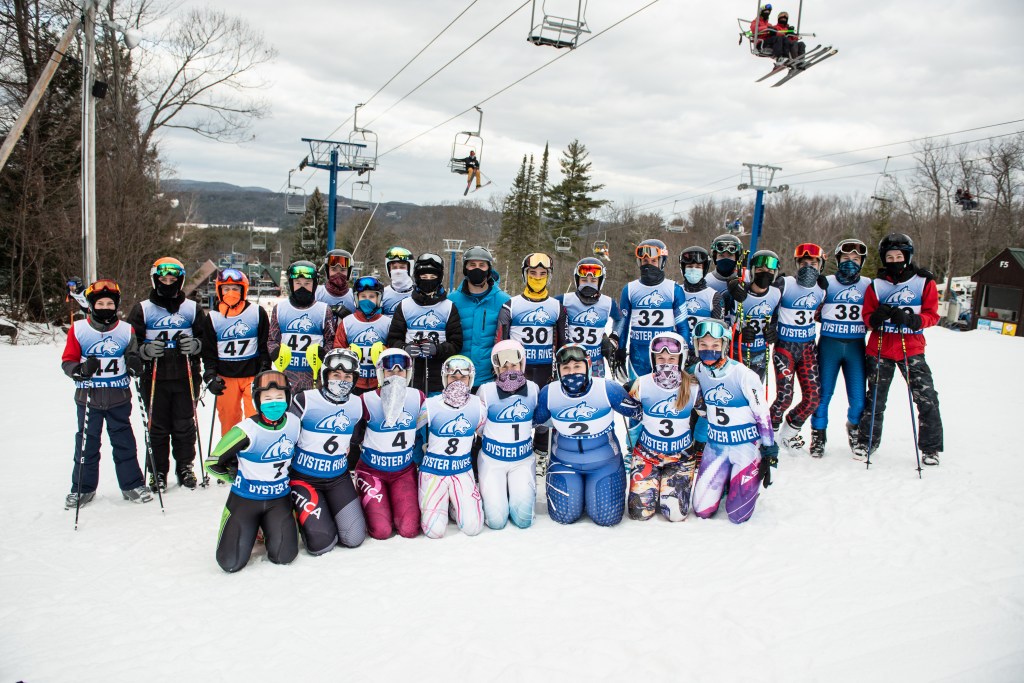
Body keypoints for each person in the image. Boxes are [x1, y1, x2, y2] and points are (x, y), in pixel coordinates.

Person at [854, 233, 943, 466]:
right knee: (875, 399)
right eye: (890, 257)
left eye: (899, 256)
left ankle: (931, 448)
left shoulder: (924, 282)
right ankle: (867, 441)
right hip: (880, 348)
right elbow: (866, 317)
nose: (895, 260)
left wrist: (913, 320)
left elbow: (933, 315)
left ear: (907, 257)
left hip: (910, 347)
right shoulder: (877, 284)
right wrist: (877, 317)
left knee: (926, 398)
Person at [61, 279, 152, 508]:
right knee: (86, 444)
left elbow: (133, 357)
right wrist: (80, 370)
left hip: (118, 397)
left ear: (116, 306)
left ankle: (132, 484)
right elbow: (68, 361)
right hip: (88, 397)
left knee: (124, 442)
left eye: (109, 304)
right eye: (100, 303)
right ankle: (82, 488)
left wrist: (135, 364)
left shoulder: (125, 329)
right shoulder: (79, 329)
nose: (105, 307)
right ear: (91, 305)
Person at [534, 344, 643, 527]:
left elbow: (639, 412)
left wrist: (642, 389)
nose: (571, 372)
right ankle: (581, 494)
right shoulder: (549, 393)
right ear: (559, 370)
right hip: (564, 463)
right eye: (566, 368)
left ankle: (591, 495)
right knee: (564, 515)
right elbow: (529, 421)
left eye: (577, 367)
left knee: (606, 518)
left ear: (588, 366)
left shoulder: (607, 389)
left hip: (604, 464)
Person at [128, 257, 212, 491]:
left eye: (172, 279)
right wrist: (144, 351)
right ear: (155, 281)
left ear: (180, 280)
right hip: (154, 376)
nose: (167, 283)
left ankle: (185, 465)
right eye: (163, 279)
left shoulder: (191, 308)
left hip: (185, 374)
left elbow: (206, 339)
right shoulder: (143, 309)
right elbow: (129, 343)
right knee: (157, 426)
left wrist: (195, 345)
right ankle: (158, 470)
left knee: (185, 424)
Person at [203, 370, 300, 573]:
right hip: (245, 499)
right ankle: (250, 526)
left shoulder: (294, 423)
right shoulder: (246, 430)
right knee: (230, 562)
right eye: (267, 398)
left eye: (279, 397)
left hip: (279, 499)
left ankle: (265, 528)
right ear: (257, 400)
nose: (274, 403)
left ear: (288, 398)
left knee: (284, 556)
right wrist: (232, 475)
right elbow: (212, 463)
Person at [691, 320, 777, 524]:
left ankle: (741, 483)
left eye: (715, 345)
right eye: (703, 345)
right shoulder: (698, 371)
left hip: (744, 446)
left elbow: (762, 413)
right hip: (716, 446)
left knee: (737, 515)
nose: (708, 350)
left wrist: (769, 451)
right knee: (701, 510)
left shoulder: (743, 374)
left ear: (724, 345)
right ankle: (725, 482)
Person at [288, 348, 367, 555]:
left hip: (338, 478)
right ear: (325, 375)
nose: (342, 380)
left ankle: (327, 510)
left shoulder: (357, 404)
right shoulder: (304, 400)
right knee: (321, 544)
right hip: (304, 477)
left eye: (348, 376)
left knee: (354, 537)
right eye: (336, 375)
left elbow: (358, 437)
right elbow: (283, 439)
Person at [496, 252, 566, 472]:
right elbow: (501, 341)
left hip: (545, 367)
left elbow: (564, 344)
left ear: (549, 276)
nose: (537, 277)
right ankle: (518, 450)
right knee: (518, 410)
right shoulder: (511, 305)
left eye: (542, 273)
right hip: (518, 369)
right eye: (533, 273)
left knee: (543, 412)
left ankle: (541, 454)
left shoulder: (556, 307)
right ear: (524, 275)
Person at [625, 331, 701, 522]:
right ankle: (653, 487)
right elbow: (628, 410)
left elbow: (709, 417)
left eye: (672, 358)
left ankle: (666, 488)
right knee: (640, 514)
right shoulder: (642, 384)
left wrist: (702, 444)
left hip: (680, 458)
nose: (666, 362)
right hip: (647, 456)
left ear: (681, 359)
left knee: (675, 516)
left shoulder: (693, 387)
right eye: (661, 358)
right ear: (653, 359)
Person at [353, 347, 427, 539]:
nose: (395, 375)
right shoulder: (366, 400)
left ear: (408, 373)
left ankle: (394, 505)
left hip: (403, 471)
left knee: (409, 529)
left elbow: (421, 433)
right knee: (381, 531)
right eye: (390, 371)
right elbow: (355, 437)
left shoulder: (417, 397)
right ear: (380, 373)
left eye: (400, 371)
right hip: (372, 470)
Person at [810, 239, 871, 457]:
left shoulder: (868, 284)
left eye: (856, 259)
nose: (850, 263)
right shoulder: (825, 282)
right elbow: (810, 306)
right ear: (837, 260)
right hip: (829, 344)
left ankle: (854, 428)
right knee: (823, 394)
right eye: (846, 259)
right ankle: (818, 435)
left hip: (856, 345)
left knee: (858, 398)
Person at [419, 355, 486, 538]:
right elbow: (408, 430)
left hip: (461, 471)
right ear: (444, 378)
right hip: (434, 472)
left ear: (470, 379)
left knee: (473, 528)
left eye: (463, 378)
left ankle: (453, 504)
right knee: (434, 531)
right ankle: (445, 502)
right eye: (453, 378)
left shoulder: (478, 406)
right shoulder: (430, 405)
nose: (458, 382)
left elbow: (486, 434)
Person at [477, 340, 540, 530]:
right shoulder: (486, 391)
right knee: (496, 521)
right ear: (496, 369)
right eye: (503, 367)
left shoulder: (534, 390)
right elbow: (479, 429)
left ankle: (513, 490)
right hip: (493, 461)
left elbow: (537, 420)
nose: (509, 370)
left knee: (523, 519)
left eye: (513, 365)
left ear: (522, 365)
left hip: (522, 460)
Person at [770, 243, 827, 451]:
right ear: (797, 263)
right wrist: (772, 327)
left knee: (813, 398)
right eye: (804, 263)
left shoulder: (822, 288)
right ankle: (769, 435)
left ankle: (789, 432)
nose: (808, 267)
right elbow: (768, 306)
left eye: (813, 263)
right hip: (785, 348)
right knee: (784, 397)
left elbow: (822, 313)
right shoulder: (785, 283)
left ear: (821, 264)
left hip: (808, 348)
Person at [202, 268, 271, 438]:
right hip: (225, 377)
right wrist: (210, 375)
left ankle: (253, 452)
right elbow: (208, 351)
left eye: (235, 289)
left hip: (252, 375)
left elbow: (264, 344)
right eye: (226, 289)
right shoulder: (213, 317)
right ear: (219, 291)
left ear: (243, 290)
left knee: (255, 418)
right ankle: (229, 456)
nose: (231, 293)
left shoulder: (256, 312)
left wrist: (265, 367)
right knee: (229, 420)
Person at [386, 253, 463, 396]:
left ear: (439, 278)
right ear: (417, 277)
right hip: (409, 375)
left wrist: (438, 349)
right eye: (424, 277)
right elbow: (392, 339)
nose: (428, 281)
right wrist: (404, 348)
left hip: (437, 378)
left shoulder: (448, 307)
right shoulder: (405, 305)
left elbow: (456, 343)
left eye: (433, 277)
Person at [613, 239, 688, 379]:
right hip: (638, 359)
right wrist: (620, 350)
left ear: (662, 262)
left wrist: (684, 352)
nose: (648, 265)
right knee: (637, 397)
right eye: (645, 262)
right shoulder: (629, 289)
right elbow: (622, 323)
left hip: (666, 355)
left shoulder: (674, 290)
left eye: (653, 261)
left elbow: (683, 326)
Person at [268, 260, 336, 394]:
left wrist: (324, 353)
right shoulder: (280, 309)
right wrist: (275, 352)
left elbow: (330, 339)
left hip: (313, 376)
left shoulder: (323, 310)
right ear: (291, 284)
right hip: (287, 374)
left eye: (307, 284)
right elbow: (272, 339)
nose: (302, 288)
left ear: (314, 285)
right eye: (298, 283)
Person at [448, 245, 510, 390]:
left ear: (489, 269)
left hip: (489, 379)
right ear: (465, 268)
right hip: (458, 376)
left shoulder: (504, 301)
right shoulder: (452, 300)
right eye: (472, 265)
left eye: (482, 265)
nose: (477, 269)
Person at [557, 257, 620, 379]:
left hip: (595, 363)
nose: (588, 283)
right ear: (577, 280)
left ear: (600, 281)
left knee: (596, 396)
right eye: (584, 280)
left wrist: (614, 337)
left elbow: (621, 318)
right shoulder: (564, 299)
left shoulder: (608, 303)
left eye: (593, 280)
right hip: (570, 363)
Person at [334, 275, 392, 395]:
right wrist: (346, 352)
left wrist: (385, 351)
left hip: (379, 382)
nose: (367, 300)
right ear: (356, 298)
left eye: (371, 296)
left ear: (378, 298)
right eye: (363, 296)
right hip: (353, 383)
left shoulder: (387, 323)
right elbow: (337, 350)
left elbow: (394, 349)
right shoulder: (347, 322)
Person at [733, 250, 782, 383]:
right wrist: (738, 335)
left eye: (770, 271)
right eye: (760, 269)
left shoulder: (776, 293)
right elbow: (725, 322)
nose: (765, 274)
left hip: (760, 353)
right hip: (738, 352)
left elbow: (776, 318)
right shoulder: (739, 293)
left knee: (755, 395)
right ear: (753, 271)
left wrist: (773, 332)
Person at [314, 249, 356, 320]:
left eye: (343, 270)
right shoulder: (317, 293)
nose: (338, 274)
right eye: (334, 270)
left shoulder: (354, 296)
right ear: (327, 271)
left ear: (349, 273)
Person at [381, 246, 415, 316]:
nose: (398, 271)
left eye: (402, 267)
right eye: (394, 268)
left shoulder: (418, 293)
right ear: (389, 270)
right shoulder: (382, 294)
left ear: (409, 268)